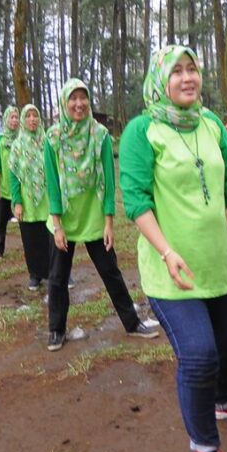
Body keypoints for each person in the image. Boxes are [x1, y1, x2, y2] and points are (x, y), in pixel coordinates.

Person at [118, 45, 227, 452]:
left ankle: (225, 401)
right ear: (160, 80)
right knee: (199, 355)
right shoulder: (141, 131)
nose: (188, 78)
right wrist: (167, 251)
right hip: (172, 273)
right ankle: (205, 446)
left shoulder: (211, 125)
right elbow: (136, 201)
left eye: (193, 69)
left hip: (217, 264)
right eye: (177, 71)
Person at [43, 79, 159, 351]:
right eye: (73, 99)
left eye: (83, 98)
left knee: (110, 272)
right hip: (64, 220)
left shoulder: (101, 135)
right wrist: (57, 225)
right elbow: (52, 183)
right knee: (58, 278)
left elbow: (108, 180)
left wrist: (109, 222)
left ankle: (132, 323)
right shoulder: (53, 137)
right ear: (64, 103)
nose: (79, 104)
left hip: (94, 218)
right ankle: (56, 330)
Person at [4, 105, 52, 291]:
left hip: (47, 200)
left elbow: (55, 171)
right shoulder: (17, 146)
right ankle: (35, 274)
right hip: (27, 201)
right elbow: (14, 176)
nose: (32, 119)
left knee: (50, 237)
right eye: (28, 116)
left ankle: (56, 272)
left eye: (35, 115)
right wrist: (17, 202)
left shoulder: (47, 143)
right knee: (31, 239)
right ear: (23, 120)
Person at [0, 107, 18, 260]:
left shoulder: (22, 138)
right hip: (4, 187)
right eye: (11, 117)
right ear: (6, 119)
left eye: (16, 117)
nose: (14, 120)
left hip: (20, 188)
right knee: (1, 220)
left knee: (25, 221)